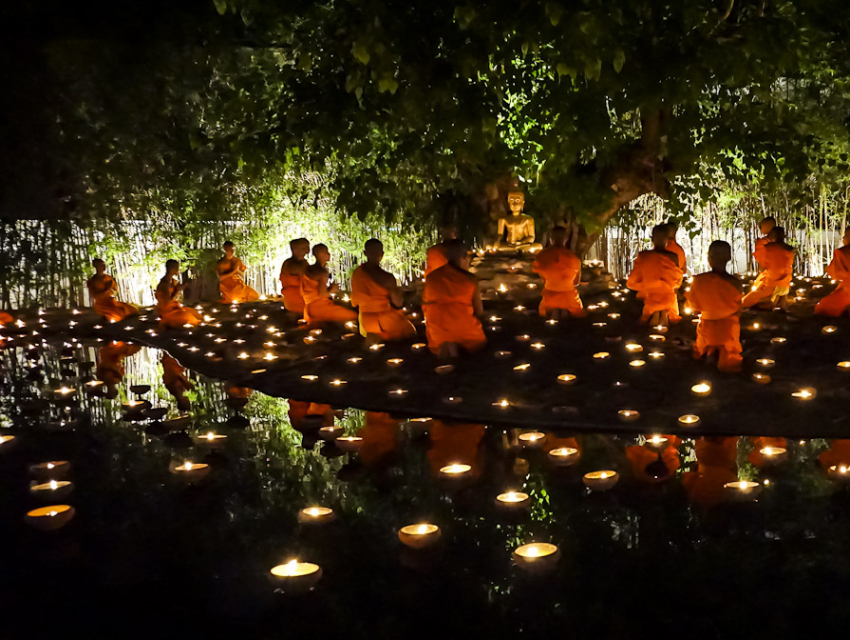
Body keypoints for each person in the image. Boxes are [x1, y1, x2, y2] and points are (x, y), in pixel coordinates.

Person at [685, 240, 744, 373]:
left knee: (703, 328)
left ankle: (708, 349)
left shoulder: (699, 280)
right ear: (729, 257)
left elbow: (694, 308)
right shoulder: (735, 283)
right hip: (728, 330)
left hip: (707, 329)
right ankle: (722, 351)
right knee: (732, 326)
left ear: (709, 258)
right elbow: (739, 311)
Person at [422, 239, 486, 359]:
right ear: (465, 257)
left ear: (446, 256)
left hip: (437, 332)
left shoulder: (431, 277)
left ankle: (447, 345)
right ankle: (458, 346)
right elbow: (479, 311)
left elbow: (425, 305)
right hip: (464, 330)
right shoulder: (470, 279)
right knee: (478, 342)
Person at [350, 239, 416, 342]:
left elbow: (355, 300)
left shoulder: (357, 273)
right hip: (384, 319)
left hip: (364, 320)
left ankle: (373, 339)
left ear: (365, 253)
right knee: (410, 330)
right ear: (382, 254)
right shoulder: (387, 277)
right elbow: (398, 303)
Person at [626, 224, 683, 326]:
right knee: (674, 325)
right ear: (668, 239)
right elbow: (677, 283)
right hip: (669, 302)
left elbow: (632, 282)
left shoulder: (644, 256)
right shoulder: (673, 256)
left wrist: (648, 285)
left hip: (650, 300)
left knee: (642, 323)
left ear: (652, 238)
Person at [532, 225, 586, 319]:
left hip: (549, 299)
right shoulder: (574, 258)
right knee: (580, 316)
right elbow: (576, 282)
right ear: (566, 239)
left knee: (542, 314)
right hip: (570, 299)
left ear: (550, 239)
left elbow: (543, 279)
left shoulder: (541, 256)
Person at [301, 244, 358, 325]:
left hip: (308, 308)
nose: (329, 254)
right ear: (320, 254)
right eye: (326, 252)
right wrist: (333, 289)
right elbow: (322, 294)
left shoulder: (308, 269)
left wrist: (330, 288)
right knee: (354, 316)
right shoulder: (322, 272)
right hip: (320, 308)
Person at [742, 226, 794, 311]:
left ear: (772, 237)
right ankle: (777, 301)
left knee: (745, 301)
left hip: (771, 286)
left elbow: (762, 269)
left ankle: (769, 302)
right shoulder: (790, 250)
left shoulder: (768, 248)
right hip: (786, 285)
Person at [155, 260, 203, 329]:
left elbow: (175, 290)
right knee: (193, 320)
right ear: (173, 269)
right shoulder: (165, 283)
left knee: (198, 315)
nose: (178, 269)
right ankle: (167, 322)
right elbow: (168, 300)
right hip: (167, 311)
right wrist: (178, 290)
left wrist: (182, 286)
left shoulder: (172, 281)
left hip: (174, 308)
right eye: (177, 267)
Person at [814, 228, 850, 317]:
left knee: (822, 306)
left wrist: (828, 269)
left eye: (845, 236)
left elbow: (835, 273)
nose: (843, 238)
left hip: (848, 290)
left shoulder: (841, 252)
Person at [280, 238, 310, 314]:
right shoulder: (290, 264)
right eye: (304, 248)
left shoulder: (304, 263)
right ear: (295, 250)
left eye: (308, 248)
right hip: (294, 302)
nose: (307, 251)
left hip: (304, 301)